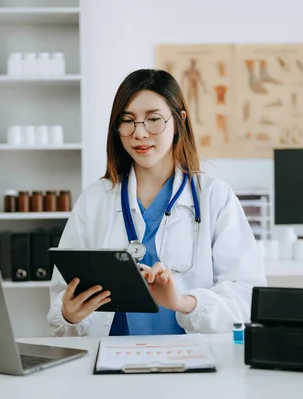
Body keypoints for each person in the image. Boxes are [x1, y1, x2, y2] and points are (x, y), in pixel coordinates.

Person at [47, 69, 266, 337]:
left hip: (192, 362)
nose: (139, 134)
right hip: (113, 362)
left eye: (153, 119)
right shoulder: (94, 201)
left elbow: (246, 298)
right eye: (127, 121)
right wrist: (69, 315)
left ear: (179, 121)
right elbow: (61, 298)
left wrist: (183, 303)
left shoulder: (215, 198)